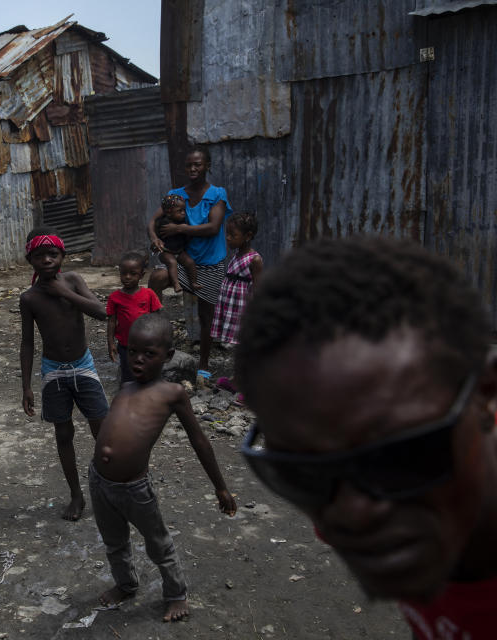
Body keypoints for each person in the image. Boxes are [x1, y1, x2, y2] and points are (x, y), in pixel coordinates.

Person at [236, 238, 497, 639]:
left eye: (403, 455)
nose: (352, 514)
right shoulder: (361, 491)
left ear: (485, 396)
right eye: (300, 473)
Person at [91, 312, 236, 621]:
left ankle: (175, 594)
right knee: (114, 542)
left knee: (158, 543)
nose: (138, 359)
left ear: (168, 356)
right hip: (100, 482)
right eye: (133, 351)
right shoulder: (126, 385)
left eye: (149, 353)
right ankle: (126, 584)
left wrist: (220, 486)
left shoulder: (172, 393)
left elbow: (200, 442)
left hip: (134, 488)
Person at [20, 228, 108, 521]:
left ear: (63, 257)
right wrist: (27, 386)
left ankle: (109, 488)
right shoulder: (29, 298)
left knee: (102, 430)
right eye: (39, 255)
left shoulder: (73, 280)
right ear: (29, 259)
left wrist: (64, 292)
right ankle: (76, 494)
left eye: (52, 254)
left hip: (83, 365)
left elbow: (102, 312)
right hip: (53, 372)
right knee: (63, 433)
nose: (46, 259)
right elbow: (28, 342)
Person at [148, 147, 231, 378]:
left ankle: (203, 365)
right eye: (189, 165)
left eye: (198, 164)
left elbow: (213, 228)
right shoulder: (176, 195)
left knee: (206, 317)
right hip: (183, 259)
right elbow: (153, 221)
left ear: (207, 166)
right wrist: (155, 238)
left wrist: (180, 228)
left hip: (210, 263)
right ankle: (156, 340)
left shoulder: (217, 194)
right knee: (157, 277)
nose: (193, 169)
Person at [210, 212, 262, 402]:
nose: (228, 238)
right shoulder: (236, 254)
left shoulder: (254, 260)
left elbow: (258, 288)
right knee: (238, 347)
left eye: (233, 235)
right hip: (231, 307)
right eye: (227, 234)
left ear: (247, 236)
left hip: (243, 310)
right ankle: (236, 380)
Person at [106, 250, 162, 384]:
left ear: (141, 275)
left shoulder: (148, 294)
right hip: (126, 346)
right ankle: (130, 399)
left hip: (147, 344)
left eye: (133, 274)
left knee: (148, 373)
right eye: (123, 273)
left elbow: (157, 317)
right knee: (128, 375)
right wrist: (111, 342)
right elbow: (112, 321)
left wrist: (159, 340)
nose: (127, 277)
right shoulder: (114, 297)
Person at [150, 194, 200, 290]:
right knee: (172, 262)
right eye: (179, 211)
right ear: (169, 212)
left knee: (190, 262)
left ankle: (193, 283)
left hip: (179, 251)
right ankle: (176, 284)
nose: (183, 213)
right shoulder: (162, 223)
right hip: (166, 251)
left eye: (184, 210)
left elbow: (187, 237)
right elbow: (155, 237)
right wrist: (155, 242)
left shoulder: (183, 223)